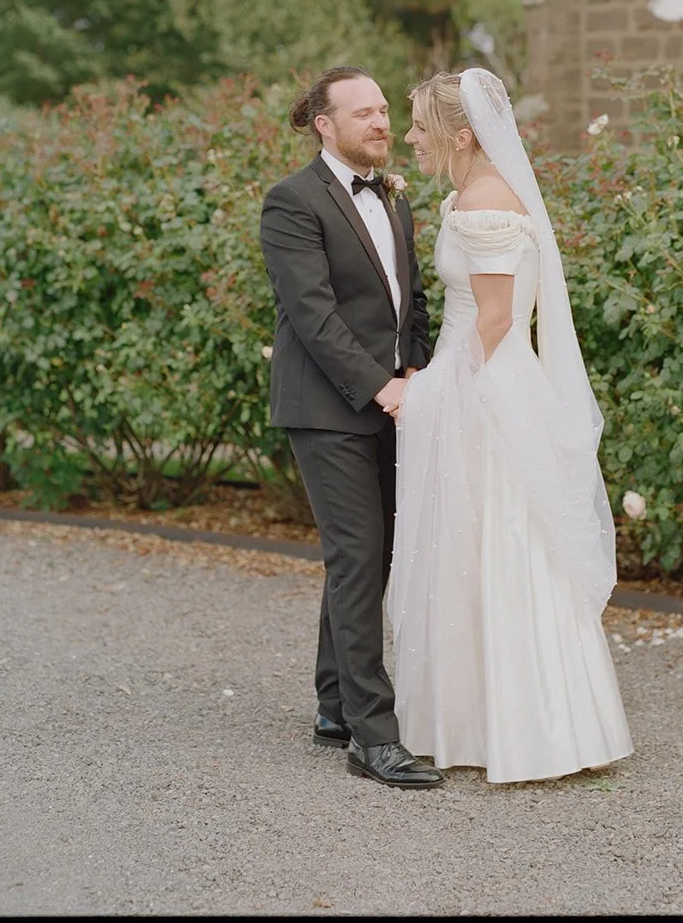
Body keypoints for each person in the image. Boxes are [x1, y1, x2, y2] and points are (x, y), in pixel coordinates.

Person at [389, 68, 633, 784]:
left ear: (459, 135)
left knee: (497, 544)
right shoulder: (472, 196)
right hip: (483, 383)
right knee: (481, 550)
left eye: (418, 127)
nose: (409, 139)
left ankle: (525, 730)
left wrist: (427, 388)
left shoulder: (485, 206)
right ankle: (491, 720)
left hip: (484, 391)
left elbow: (494, 324)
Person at [258, 66, 441, 789]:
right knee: (361, 555)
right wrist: (380, 387)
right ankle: (373, 733)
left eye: (386, 110)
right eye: (363, 113)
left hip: (399, 399)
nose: (382, 122)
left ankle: (335, 703)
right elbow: (314, 316)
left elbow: (412, 301)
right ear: (323, 125)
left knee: (373, 556)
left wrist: (418, 373)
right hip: (328, 408)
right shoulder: (292, 202)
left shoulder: (395, 199)